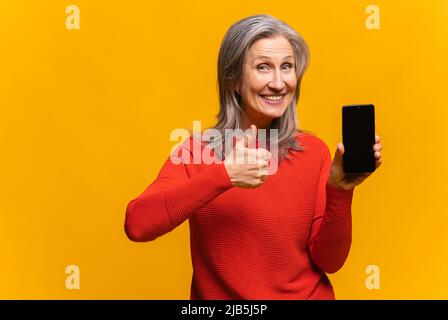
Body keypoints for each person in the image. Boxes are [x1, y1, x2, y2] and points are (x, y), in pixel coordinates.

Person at [124, 14, 383, 300]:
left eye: (287, 67)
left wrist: (340, 190)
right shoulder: (197, 152)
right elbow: (137, 225)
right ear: (233, 79)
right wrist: (224, 176)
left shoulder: (314, 152)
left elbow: (330, 262)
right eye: (263, 67)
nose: (278, 82)